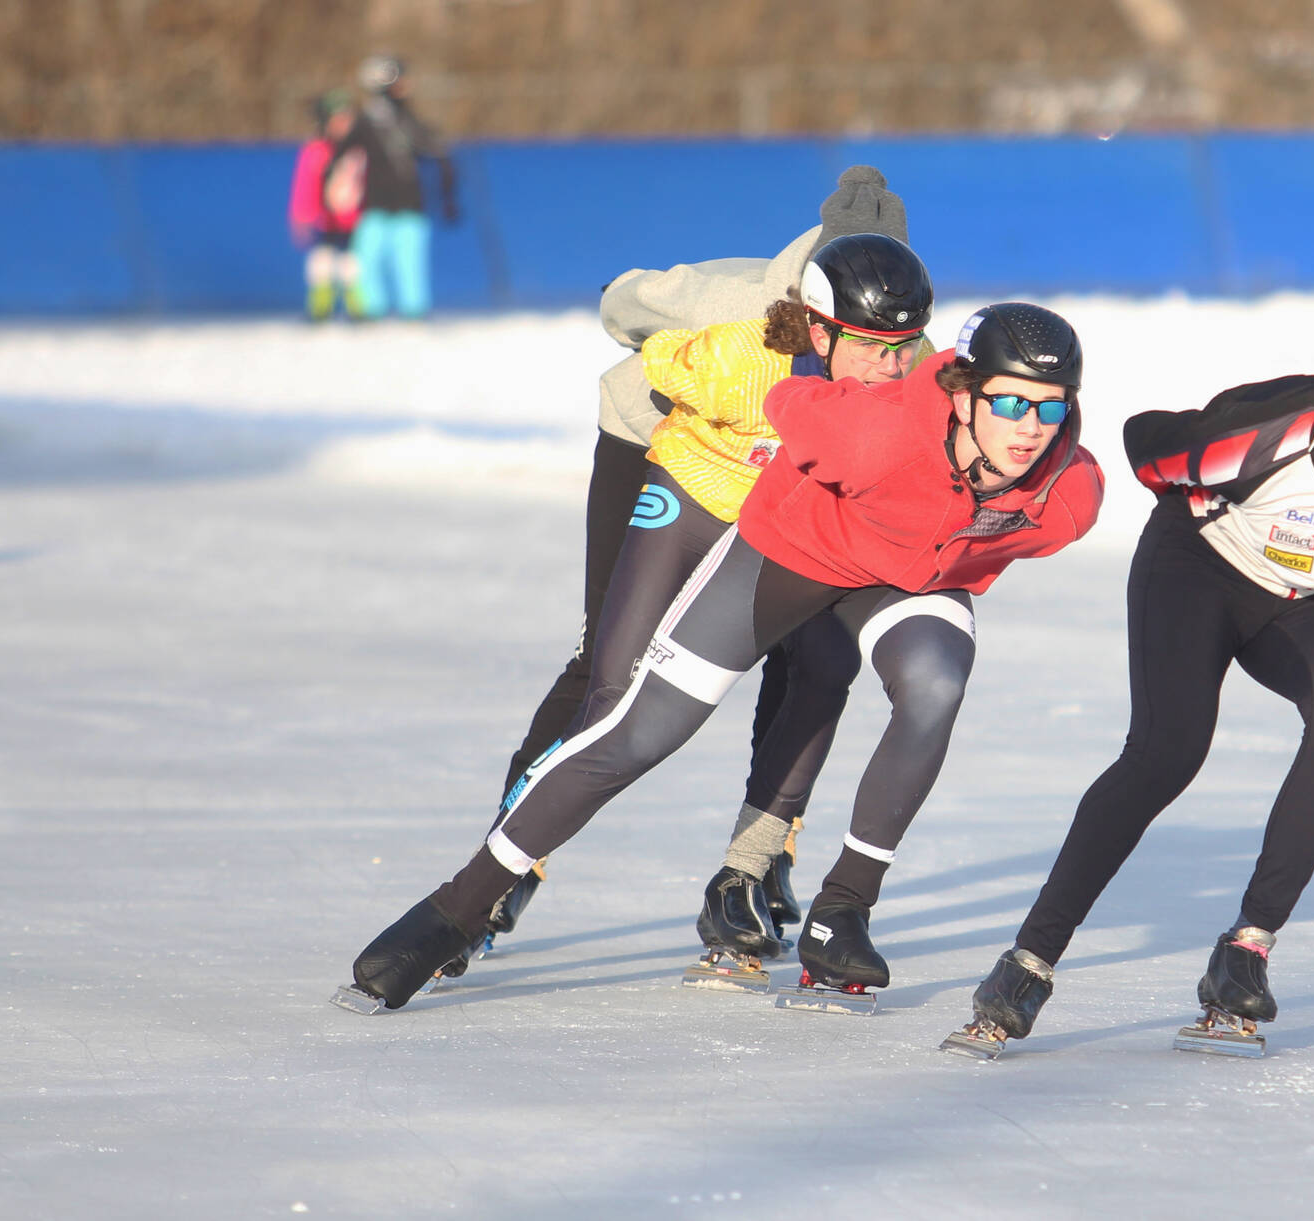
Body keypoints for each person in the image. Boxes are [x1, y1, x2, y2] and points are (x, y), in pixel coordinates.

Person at [340, 301, 1105, 1012]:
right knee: (638, 733)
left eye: (1050, 405)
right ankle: (458, 906)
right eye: (1010, 401)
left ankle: (844, 909)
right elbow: (788, 404)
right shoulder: (872, 432)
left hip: (900, 579)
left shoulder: (1069, 494)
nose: (1030, 426)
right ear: (967, 395)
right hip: (790, 554)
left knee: (937, 683)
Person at [951, 287, 1314, 1054]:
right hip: (1201, 565)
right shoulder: (1256, 438)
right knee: (1168, 751)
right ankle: (1027, 962)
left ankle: (1245, 953)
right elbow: (1144, 441)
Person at [478, 167, 925, 959]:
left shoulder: (899, 350)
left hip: (783, 476)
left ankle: (753, 863)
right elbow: (623, 302)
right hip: (659, 448)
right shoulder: (731, 303)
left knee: (810, 654)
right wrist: (646, 325)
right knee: (604, 663)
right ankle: (509, 853)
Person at [330, 54, 457, 320]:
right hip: (377, 205)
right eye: (401, 81)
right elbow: (341, 155)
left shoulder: (408, 121)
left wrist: (448, 195)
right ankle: (372, 309)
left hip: (409, 206)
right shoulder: (370, 120)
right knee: (368, 260)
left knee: (408, 263)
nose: (407, 87)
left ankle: (413, 310)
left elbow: (438, 154)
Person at [286, 89, 362, 320]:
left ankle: (357, 305)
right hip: (325, 219)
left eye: (347, 119)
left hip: (353, 218)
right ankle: (320, 305)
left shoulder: (358, 150)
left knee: (353, 264)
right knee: (322, 262)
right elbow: (305, 185)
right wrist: (301, 215)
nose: (343, 125)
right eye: (338, 120)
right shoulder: (316, 150)